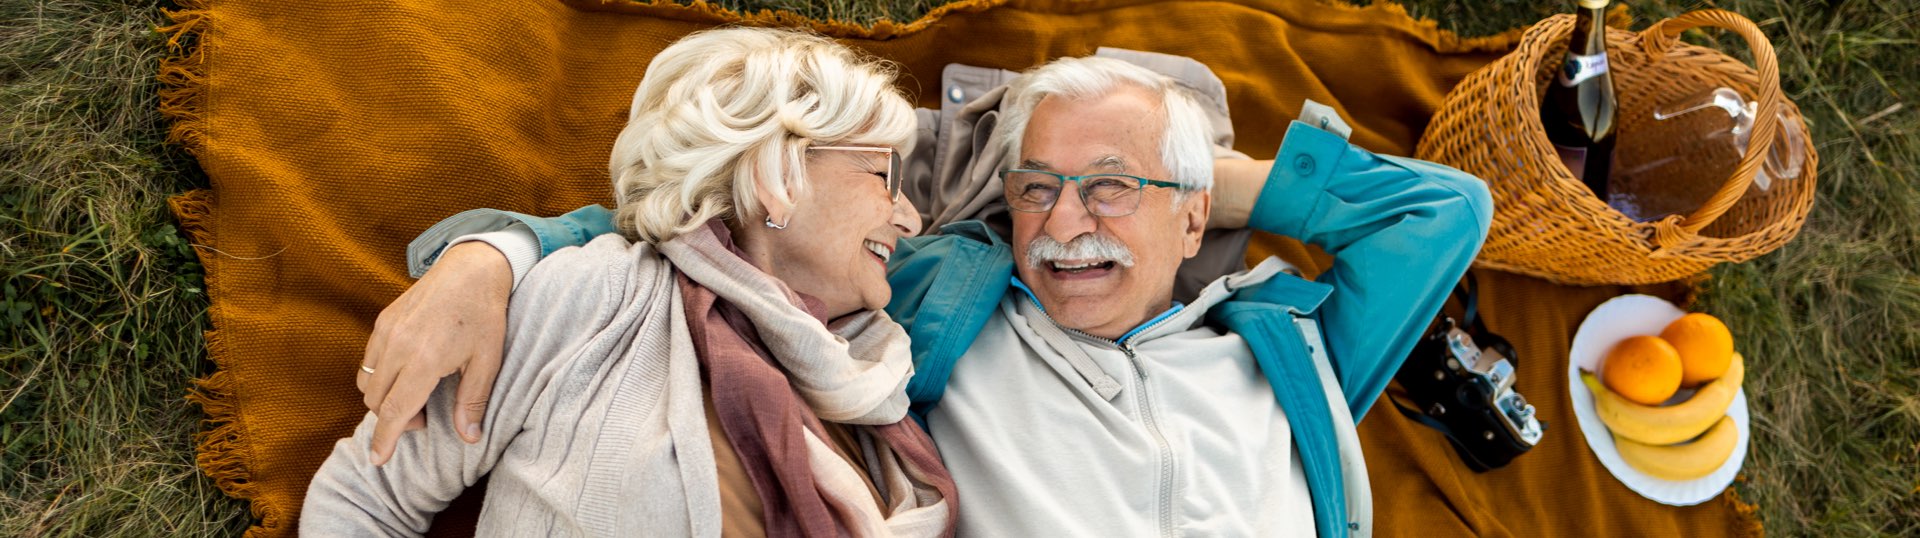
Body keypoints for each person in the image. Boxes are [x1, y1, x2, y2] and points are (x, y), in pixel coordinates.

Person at [364, 52, 1492, 536]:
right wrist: (497, 258)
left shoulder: (1282, 351)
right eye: (1036, 189)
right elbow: (704, 227)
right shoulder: (936, 306)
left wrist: (1209, 175)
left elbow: (1442, 215)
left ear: (1195, 217)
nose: (1062, 223)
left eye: (1105, 189)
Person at [302, 27, 959, 536]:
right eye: (883, 175)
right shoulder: (596, 297)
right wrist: (492, 252)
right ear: (776, 177)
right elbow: (366, 499)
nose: (909, 214)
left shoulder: (878, 385)